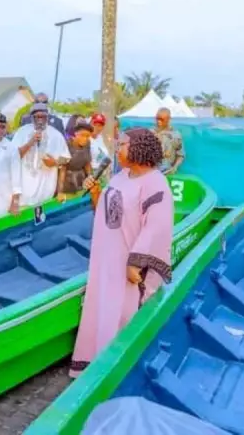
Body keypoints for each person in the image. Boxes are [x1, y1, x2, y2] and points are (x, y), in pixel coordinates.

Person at [69, 128, 174, 378]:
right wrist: (95, 193)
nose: (118, 149)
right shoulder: (120, 177)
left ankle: (120, 372)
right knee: (103, 309)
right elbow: (107, 216)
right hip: (107, 261)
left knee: (123, 312)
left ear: (139, 148)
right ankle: (97, 365)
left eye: (123, 144)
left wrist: (136, 261)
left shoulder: (155, 183)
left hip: (129, 264)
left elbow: (157, 227)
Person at [10, 103, 70, 206]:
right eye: (37, 116)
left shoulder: (56, 135)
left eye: (43, 116)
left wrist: (55, 162)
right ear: (31, 118)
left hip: (46, 192)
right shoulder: (22, 132)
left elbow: (66, 159)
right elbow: (13, 157)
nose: (40, 119)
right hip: (24, 194)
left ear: (47, 117)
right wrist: (30, 143)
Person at [58, 122, 94, 199]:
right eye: (82, 135)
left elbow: (87, 163)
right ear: (75, 134)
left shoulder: (88, 143)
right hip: (67, 182)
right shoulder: (67, 144)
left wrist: (91, 178)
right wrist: (60, 191)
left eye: (88, 136)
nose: (85, 138)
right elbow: (62, 169)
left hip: (81, 179)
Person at [154, 107, 185, 175]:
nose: (158, 121)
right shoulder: (150, 133)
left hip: (166, 172)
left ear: (168, 119)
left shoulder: (176, 135)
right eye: (157, 119)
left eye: (162, 119)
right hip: (150, 172)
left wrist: (175, 167)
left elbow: (180, 155)